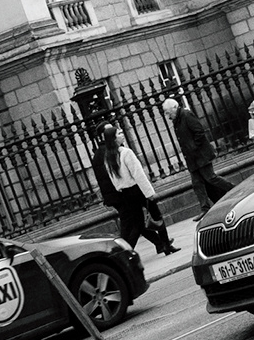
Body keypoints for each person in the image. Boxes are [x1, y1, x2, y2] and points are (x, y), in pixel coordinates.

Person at [91, 123, 178, 256]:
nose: (122, 135)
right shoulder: (126, 152)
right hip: (138, 189)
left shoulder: (108, 156)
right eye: (119, 133)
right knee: (157, 217)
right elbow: (139, 175)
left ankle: (127, 252)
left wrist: (120, 188)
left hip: (126, 192)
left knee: (137, 225)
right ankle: (165, 245)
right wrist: (149, 193)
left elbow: (114, 179)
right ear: (114, 138)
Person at [164, 96, 233, 214]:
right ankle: (205, 208)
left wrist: (194, 148)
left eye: (168, 113)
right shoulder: (177, 120)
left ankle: (234, 188)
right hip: (192, 158)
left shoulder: (186, 115)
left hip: (200, 155)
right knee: (197, 183)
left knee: (211, 178)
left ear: (175, 108)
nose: (168, 116)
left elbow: (199, 132)